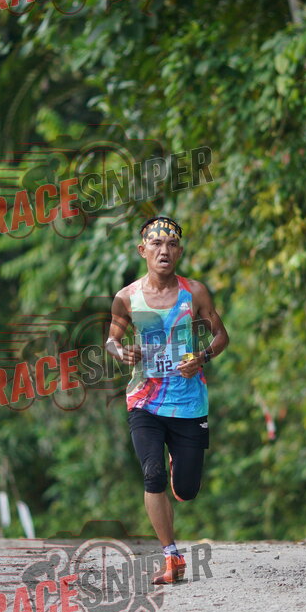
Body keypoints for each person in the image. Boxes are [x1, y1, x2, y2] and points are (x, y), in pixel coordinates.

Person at [105, 216, 229, 584]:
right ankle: (171, 556)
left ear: (180, 251)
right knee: (152, 474)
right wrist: (120, 352)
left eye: (172, 244)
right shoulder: (126, 298)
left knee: (186, 491)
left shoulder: (195, 293)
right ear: (142, 250)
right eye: (156, 244)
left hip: (189, 402)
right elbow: (111, 339)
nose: (164, 250)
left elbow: (221, 336)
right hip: (145, 400)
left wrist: (202, 357)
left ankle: (179, 461)